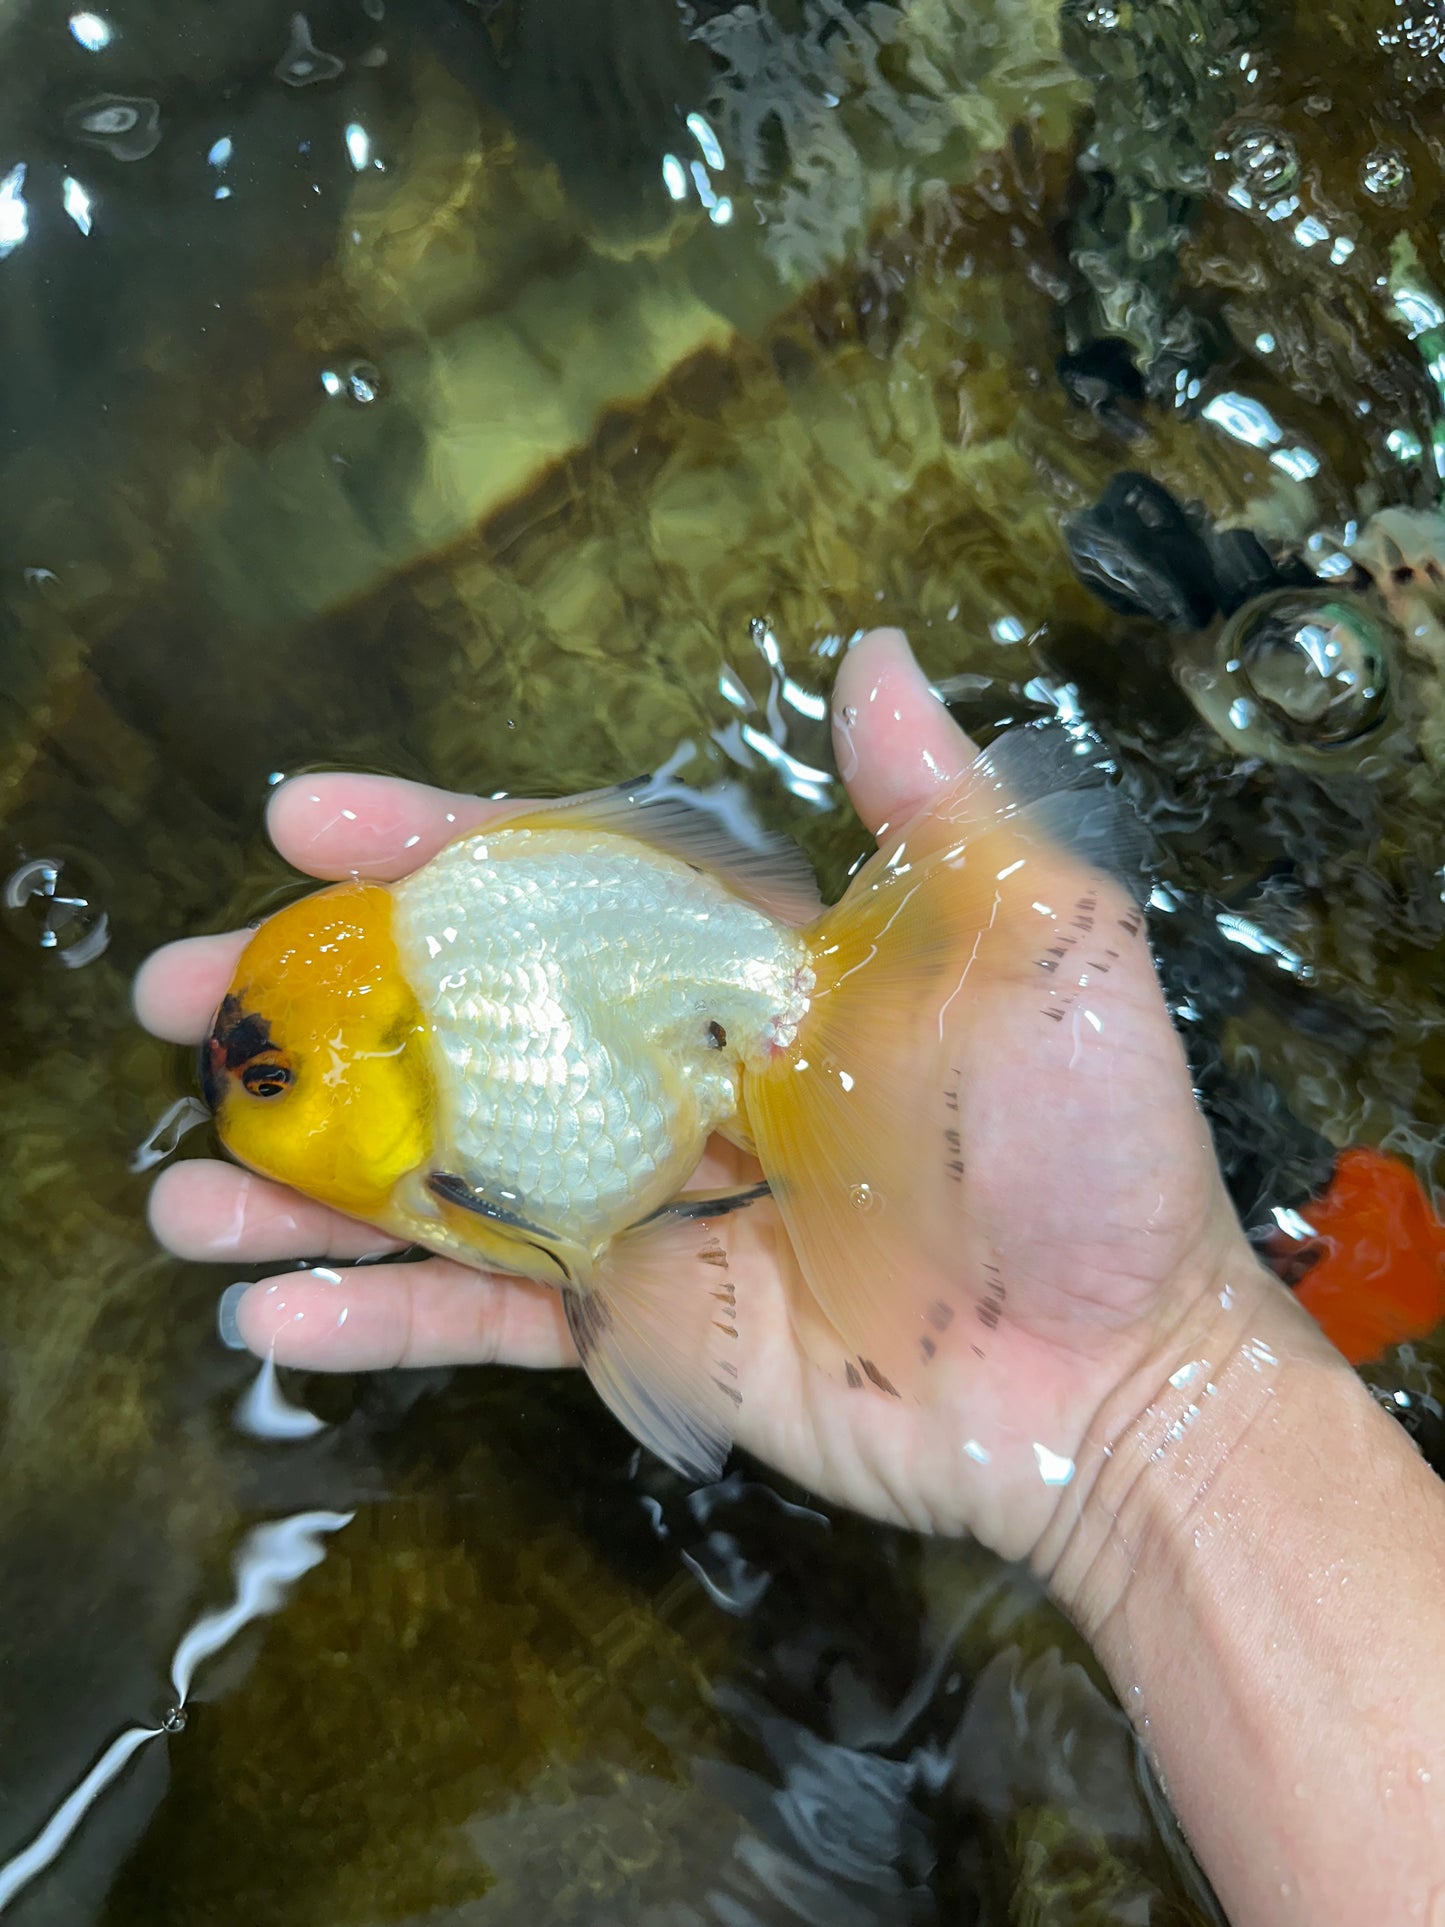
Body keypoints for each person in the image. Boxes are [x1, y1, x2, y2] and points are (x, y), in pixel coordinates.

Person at [134, 628, 1445, 1924]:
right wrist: (1156, 1407)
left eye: (266, 1074)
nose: (226, 1086)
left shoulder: (450, 1149)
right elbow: (606, 1270)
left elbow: (597, 1260)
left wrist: (1147, 1402)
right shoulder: (429, 1046)